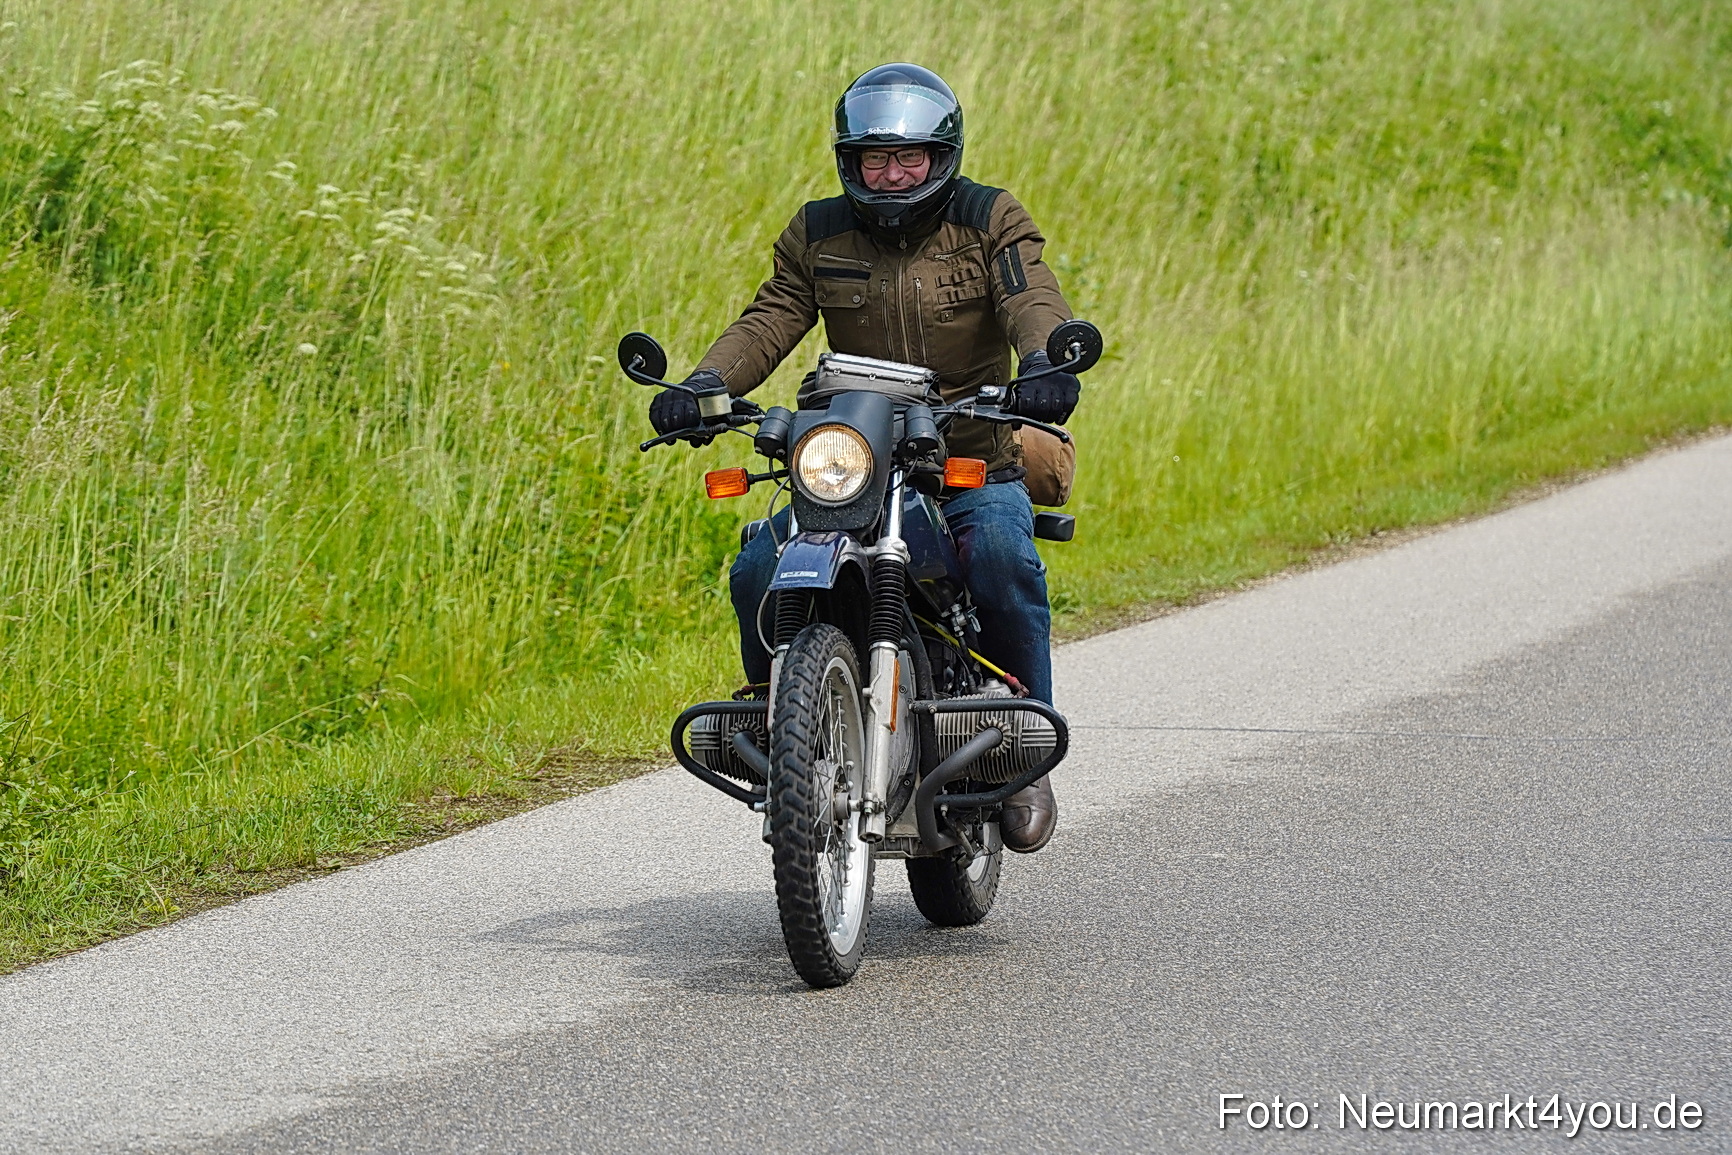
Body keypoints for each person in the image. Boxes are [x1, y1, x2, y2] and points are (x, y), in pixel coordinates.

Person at [648, 64, 1080, 853]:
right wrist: (705, 386)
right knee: (756, 569)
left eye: (908, 158)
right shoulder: (818, 231)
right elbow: (770, 318)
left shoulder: (989, 220)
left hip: (968, 458)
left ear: (940, 156)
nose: (891, 174)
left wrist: (1048, 363)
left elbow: (1033, 298)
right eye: (874, 159)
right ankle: (779, 723)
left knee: (1002, 557)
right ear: (849, 160)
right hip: (856, 461)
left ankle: (1025, 751)